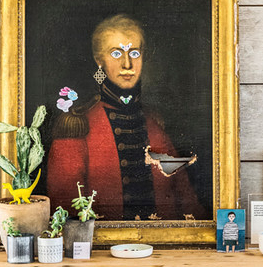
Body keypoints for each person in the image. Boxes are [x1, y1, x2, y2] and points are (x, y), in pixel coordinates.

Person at [46, 13, 206, 222]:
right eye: (116, 54)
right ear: (99, 61)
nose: (127, 64)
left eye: (135, 53)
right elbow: (65, 209)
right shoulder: (77, 125)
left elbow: (187, 202)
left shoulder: (154, 125)